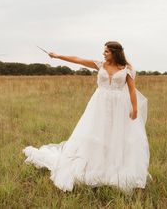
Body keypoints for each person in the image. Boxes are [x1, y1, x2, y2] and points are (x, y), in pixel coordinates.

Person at [23, 41, 150, 192]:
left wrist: (134, 109)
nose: (103, 54)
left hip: (119, 107)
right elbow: (77, 59)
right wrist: (58, 56)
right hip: (99, 105)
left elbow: (132, 90)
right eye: (104, 51)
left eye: (106, 51)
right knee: (95, 134)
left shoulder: (127, 69)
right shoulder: (100, 65)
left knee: (117, 136)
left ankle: (114, 168)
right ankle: (92, 166)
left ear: (115, 53)